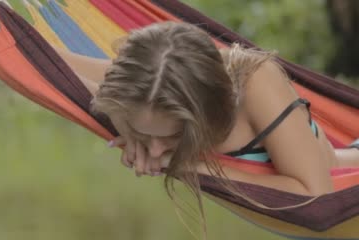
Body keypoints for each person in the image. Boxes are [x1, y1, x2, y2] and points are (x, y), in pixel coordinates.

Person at [54, 22, 359, 197]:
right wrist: (126, 127)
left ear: (207, 111)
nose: (156, 150)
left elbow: (316, 194)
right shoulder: (149, 87)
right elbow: (47, 64)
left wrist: (187, 166)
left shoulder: (257, 84)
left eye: (173, 135)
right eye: (146, 134)